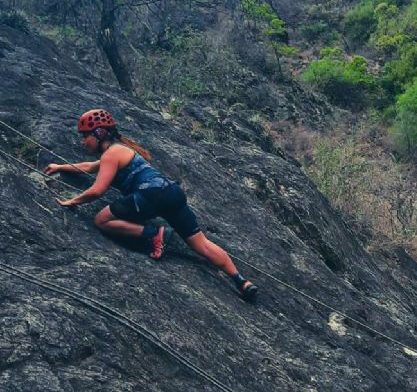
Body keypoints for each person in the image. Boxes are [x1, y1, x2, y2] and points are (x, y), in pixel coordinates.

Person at [45, 109, 258, 301]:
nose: (83, 142)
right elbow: (90, 167)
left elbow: (98, 190)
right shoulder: (119, 151)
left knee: (101, 220)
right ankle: (241, 281)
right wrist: (60, 166)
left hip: (150, 195)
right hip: (171, 193)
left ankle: (154, 234)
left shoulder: (112, 153)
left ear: (99, 134)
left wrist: (73, 201)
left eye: (85, 136)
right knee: (201, 244)